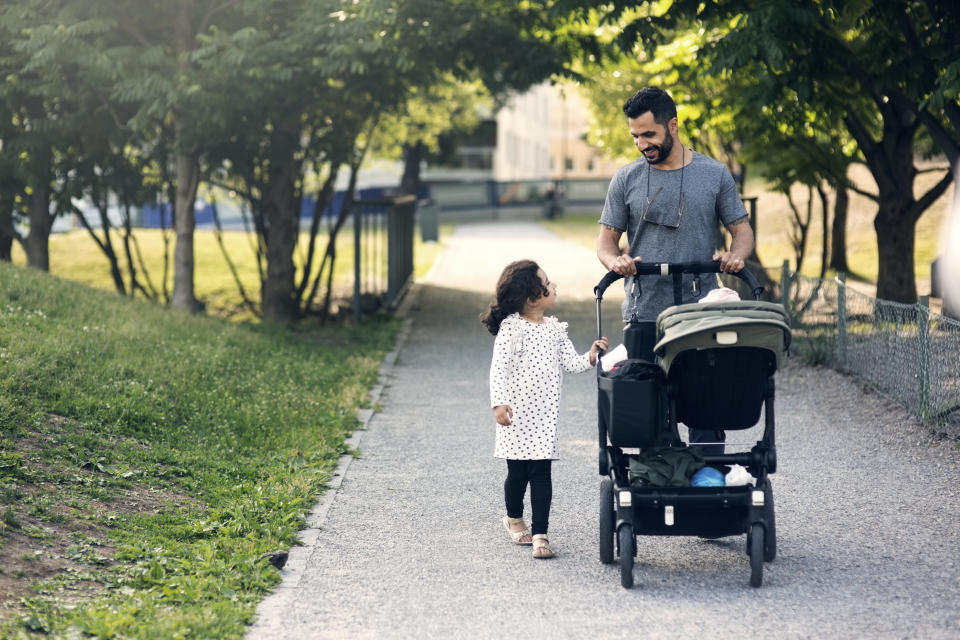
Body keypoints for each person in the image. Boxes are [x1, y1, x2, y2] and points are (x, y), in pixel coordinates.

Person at [596, 86, 755, 457]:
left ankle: (709, 481)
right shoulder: (626, 178)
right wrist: (614, 261)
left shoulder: (713, 174)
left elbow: (742, 232)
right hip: (644, 311)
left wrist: (736, 255)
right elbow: (606, 243)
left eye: (649, 135)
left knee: (707, 404)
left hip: (702, 313)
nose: (642, 144)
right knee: (646, 410)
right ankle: (656, 479)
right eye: (635, 136)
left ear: (673, 125)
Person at [481, 259, 608, 559]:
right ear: (531, 297)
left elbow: (571, 363)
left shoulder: (554, 329)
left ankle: (541, 534)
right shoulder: (512, 329)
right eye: (547, 283)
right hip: (515, 417)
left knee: (541, 475)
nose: (553, 287)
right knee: (517, 475)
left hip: (543, 419)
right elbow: (498, 369)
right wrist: (498, 403)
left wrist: (590, 356)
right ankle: (513, 517)